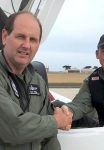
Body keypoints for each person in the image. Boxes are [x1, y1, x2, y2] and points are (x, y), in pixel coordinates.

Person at [0, 11, 72, 150]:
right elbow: (14, 128)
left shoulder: (37, 81)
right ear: (4, 36)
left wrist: (56, 121)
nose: (27, 45)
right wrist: (57, 121)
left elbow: (48, 137)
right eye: (20, 37)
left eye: (33, 39)